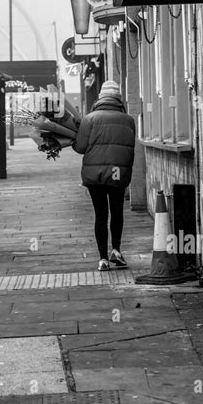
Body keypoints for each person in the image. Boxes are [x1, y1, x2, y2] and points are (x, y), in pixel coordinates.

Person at [73, 80, 135, 272]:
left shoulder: (89, 119)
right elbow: (129, 147)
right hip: (118, 172)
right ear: (118, 99)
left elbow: (81, 148)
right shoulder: (128, 120)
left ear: (100, 98)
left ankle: (102, 259)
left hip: (95, 174)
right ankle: (116, 250)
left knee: (101, 214)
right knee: (116, 212)